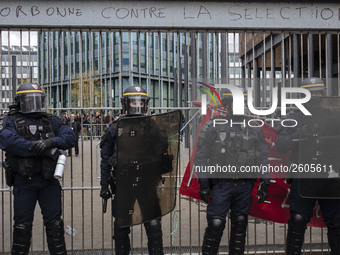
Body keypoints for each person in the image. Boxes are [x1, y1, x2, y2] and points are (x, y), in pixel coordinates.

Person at [0, 83, 76, 255]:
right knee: (22, 227)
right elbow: (8, 141)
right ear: (19, 101)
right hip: (23, 181)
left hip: (48, 182)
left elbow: (70, 136)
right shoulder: (10, 120)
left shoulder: (50, 120)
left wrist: (51, 142)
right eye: (28, 100)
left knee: (55, 225)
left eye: (37, 100)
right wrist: (42, 149)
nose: (33, 104)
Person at [194, 89, 270, 255]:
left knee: (240, 223)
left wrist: (265, 182)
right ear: (228, 105)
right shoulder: (214, 126)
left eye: (244, 103)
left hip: (244, 184)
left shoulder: (254, 128)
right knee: (215, 224)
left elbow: (264, 157)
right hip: (222, 185)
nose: (242, 106)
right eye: (238, 103)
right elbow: (200, 157)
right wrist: (204, 183)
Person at [276, 77, 340, 255]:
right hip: (304, 175)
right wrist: (298, 134)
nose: (317, 97)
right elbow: (281, 144)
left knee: (336, 220)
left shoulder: (333, 115)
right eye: (312, 94)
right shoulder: (295, 117)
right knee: (297, 219)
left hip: (329, 174)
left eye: (319, 93)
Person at [100, 86, 164, 255]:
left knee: (153, 225)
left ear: (145, 104)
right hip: (123, 183)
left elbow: (163, 152)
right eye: (133, 102)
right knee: (122, 226)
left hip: (147, 183)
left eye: (140, 102)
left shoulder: (153, 126)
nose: (137, 105)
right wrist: (103, 183)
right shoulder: (115, 127)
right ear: (125, 104)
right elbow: (105, 158)